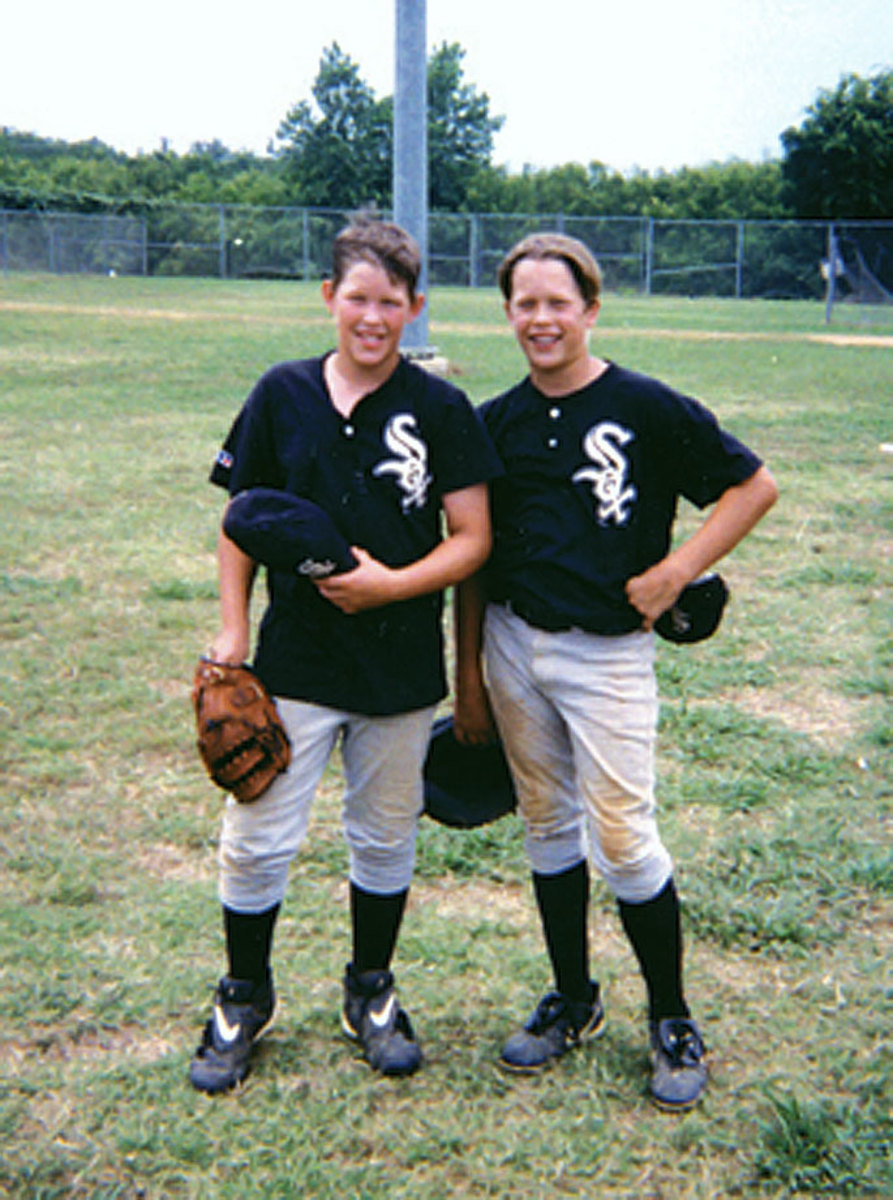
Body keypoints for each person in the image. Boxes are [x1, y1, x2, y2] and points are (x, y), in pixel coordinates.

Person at [454, 233, 778, 1110]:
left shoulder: (645, 406)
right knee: (547, 827)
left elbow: (751, 487)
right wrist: (469, 678)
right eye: (524, 303)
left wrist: (678, 570)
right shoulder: (494, 422)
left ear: (590, 310)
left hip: (607, 654)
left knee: (626, 838)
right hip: (514, 643)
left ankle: (670, 1016)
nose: (541, 318)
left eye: (558, 302)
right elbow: (474, 558)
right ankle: (574, 998)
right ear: (508, 314)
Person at [189, 217, 502, 1094]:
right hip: (295, 660)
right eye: (356, 298)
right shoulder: (280, 393)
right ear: (329, 297)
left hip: (398, 668)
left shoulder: (440, 409)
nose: (372, 316)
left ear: (415, 307)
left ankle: (370, 989)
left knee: (383, 832)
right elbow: (241, 520)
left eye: (390, 302)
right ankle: (243, 995)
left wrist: (391, 586)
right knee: (257, 836)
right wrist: (234, 629)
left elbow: (471, 537)